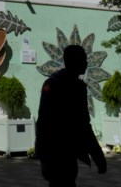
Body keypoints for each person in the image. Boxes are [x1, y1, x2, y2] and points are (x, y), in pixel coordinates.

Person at [35, 44, 107, 187]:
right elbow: (82, 125)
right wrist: (98, 157)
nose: (87, 63)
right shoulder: (73, 87)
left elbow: (42, 122)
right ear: (74, 61)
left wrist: (42, 156)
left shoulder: (56, 83)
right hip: (59, 153)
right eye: (84, 59)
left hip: (60, 154)